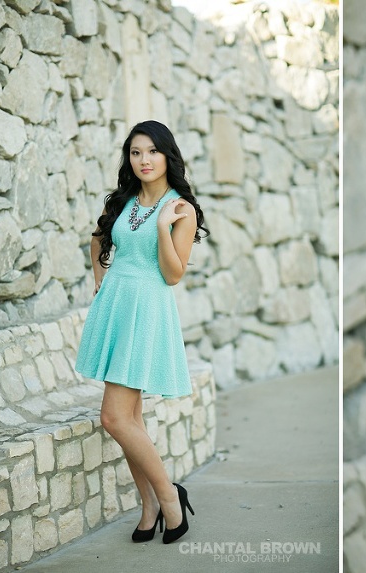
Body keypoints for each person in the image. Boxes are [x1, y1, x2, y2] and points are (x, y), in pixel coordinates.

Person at [75, 120, 208, 544]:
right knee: (129, 418)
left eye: (151, 151)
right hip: (116, 306)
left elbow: (173, 275)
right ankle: (150, 505)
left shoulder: (180, 208)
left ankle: (170, 498)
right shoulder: (125, 199)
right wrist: (100, 283)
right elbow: (98, 239)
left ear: (168, 155)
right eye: (135, 152)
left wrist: (161, 226)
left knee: (113, 417)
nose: (143, 160)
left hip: (147, 309)